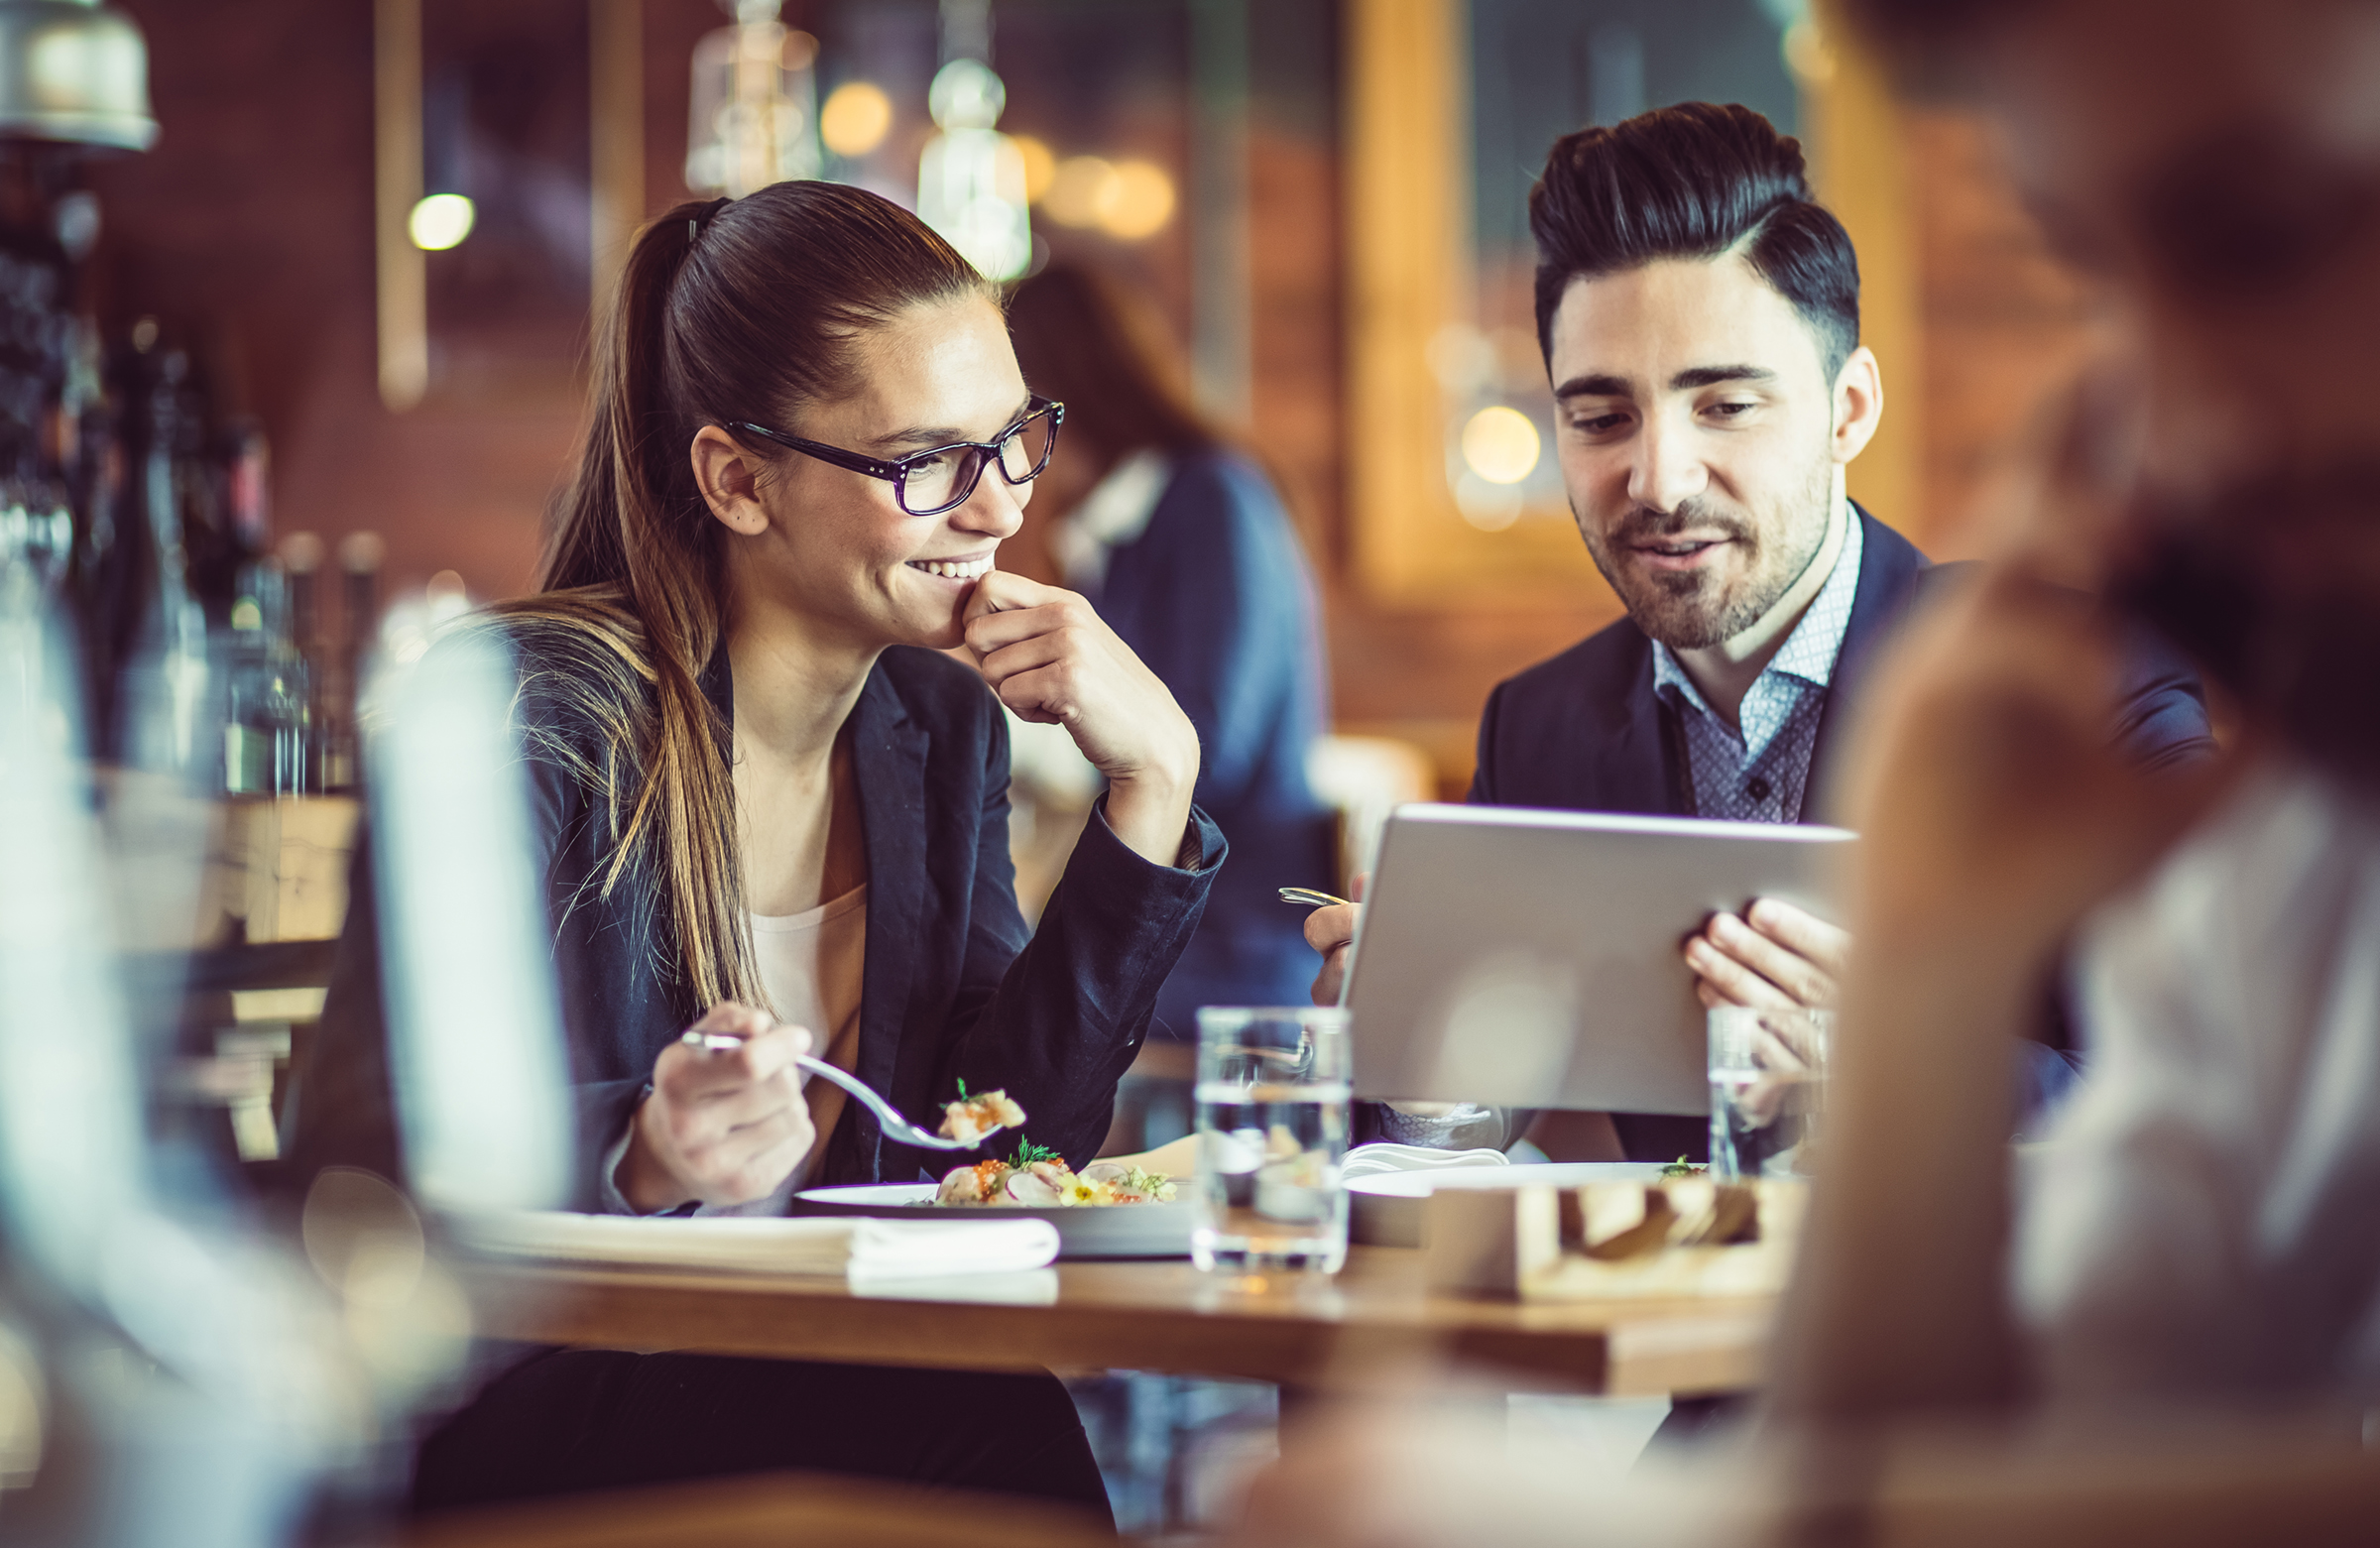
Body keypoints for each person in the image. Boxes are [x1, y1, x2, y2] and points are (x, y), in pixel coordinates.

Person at [288, 181, 1224, 1520]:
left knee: (970, 1401)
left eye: (1014, 438)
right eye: (930, 462)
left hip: (817, 1369)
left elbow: (1001, 1147)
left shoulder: (932, 724)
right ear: (738, 479)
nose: (1001, 508)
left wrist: (1154, 780)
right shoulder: (526, 712)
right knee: (980, 1417)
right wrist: (642, 1153)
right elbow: (354, 1156)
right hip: (521, 1403)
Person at [1302, 101, 2213, 1161]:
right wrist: (1423, 1060)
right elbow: (1462, 1132)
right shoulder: (1537, 726)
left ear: (1848, 410)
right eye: (1600, 418)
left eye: (1725, 405)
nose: (1658, 479)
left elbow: (2221, 1107)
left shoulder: (2092, 684)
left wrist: (1907, 1061)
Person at [1003, 262, 1336, 1038]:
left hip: (1235, 931)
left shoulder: (1214, 499)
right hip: (1177, 912)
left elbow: (1210, 749)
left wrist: (1033, 730)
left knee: (1024, 1021)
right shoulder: (1119, 526)